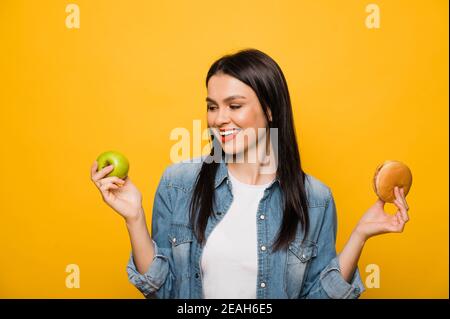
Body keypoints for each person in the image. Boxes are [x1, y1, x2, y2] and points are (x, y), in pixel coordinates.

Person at [90, 48, 410, 299]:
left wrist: (359, 236)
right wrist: (134, 219)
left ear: (269, 109)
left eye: (235, 105)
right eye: (213, 106)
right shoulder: (178, 184)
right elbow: (163, 291)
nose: (219, 119)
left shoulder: (315, 199)